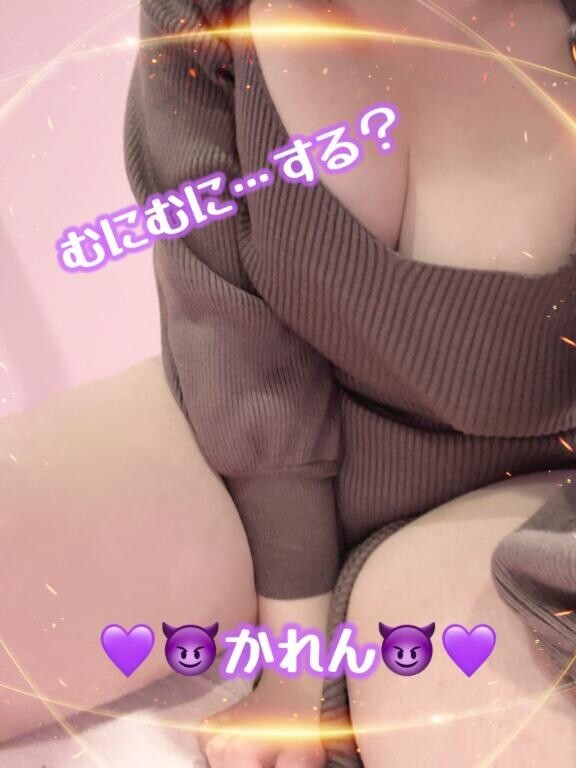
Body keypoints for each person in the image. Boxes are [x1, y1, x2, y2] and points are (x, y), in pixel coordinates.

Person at [1, 1, 575, 766]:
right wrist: (293, 661)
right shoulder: (203, 15)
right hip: (244, 443)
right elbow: (230, 336)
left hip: (530, 507)